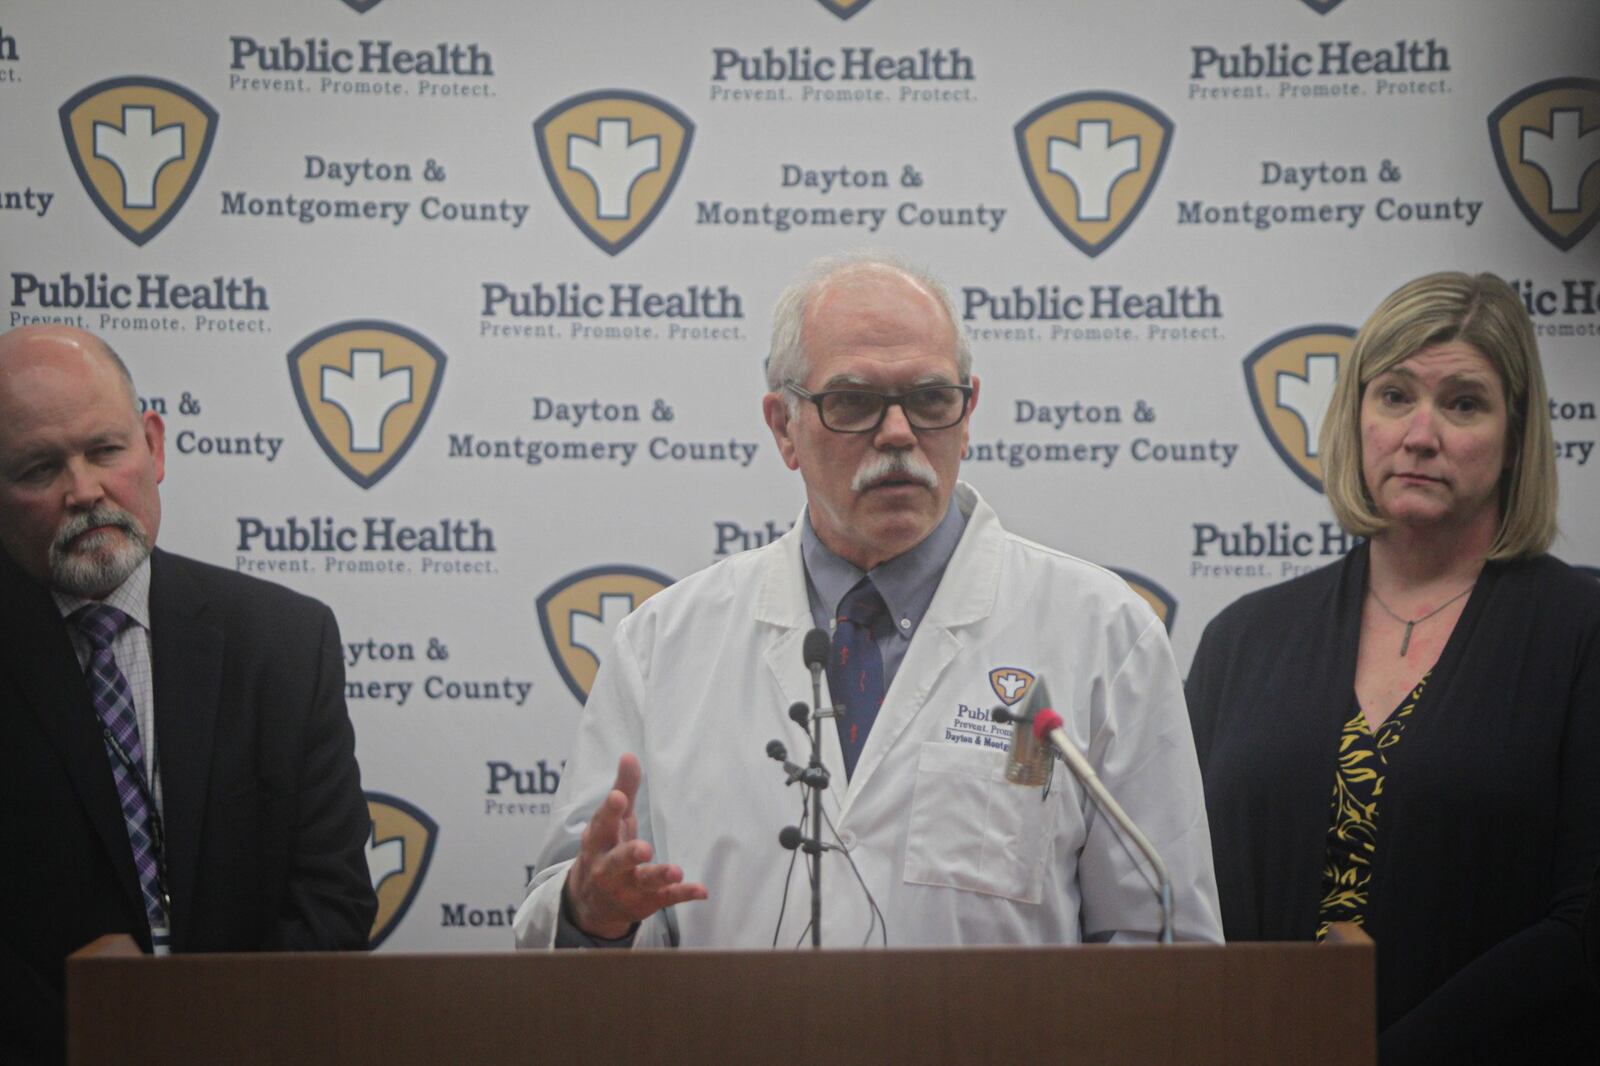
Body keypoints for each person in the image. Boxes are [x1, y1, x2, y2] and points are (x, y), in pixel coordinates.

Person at [514, 252, 1221, 950]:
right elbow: (562, 915)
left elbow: (1162, 936)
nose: (897, 434)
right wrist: (590, 913)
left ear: (968, 413)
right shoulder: (662, 646)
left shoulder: (1100, 631)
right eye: (852, 402)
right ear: (783, 427)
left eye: (930, 399)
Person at [1185, 272, 1600, 1062]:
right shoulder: (1243, 640)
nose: (1420, 433)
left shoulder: (1581, 635)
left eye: (1464, 404)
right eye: (1395, 395)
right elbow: (1183, 896)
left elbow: (1583, 926)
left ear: (1516, 439)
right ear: (1355, 417)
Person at [0, 326, 376, 1064]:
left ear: (154, 445)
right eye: (39, 468)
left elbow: (332, 904)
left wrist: (201, 1031)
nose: (84, 490)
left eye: (105, 451)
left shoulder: (285, 643)